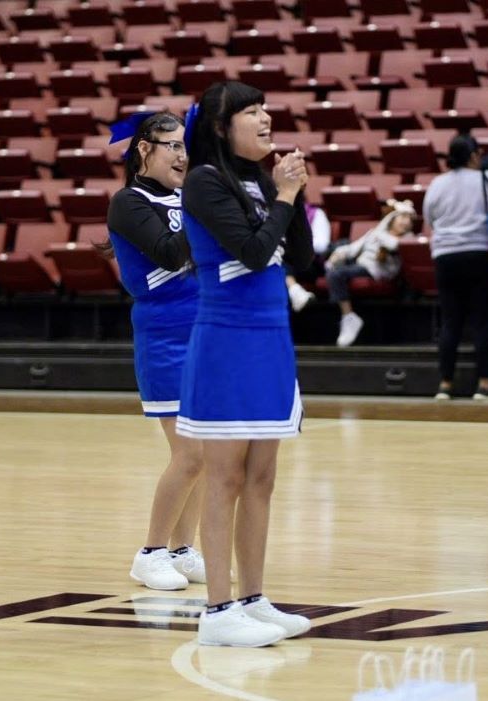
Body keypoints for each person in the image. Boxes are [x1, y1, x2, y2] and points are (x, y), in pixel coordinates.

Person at [178, 81, 315, 648]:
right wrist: (283, 197)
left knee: (262, 478)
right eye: (251, 112)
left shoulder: (262, 180)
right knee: (225, 477)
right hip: (227, 344)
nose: (265, 118)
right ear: (220, 127)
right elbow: (255, 253)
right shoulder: (206, 183)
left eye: (265, 109)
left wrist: (296, 193)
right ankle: (216, 609)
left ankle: (254, 598)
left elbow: (302, 258)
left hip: (271, 342)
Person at [104, 111, 208, 592]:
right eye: (172, 146)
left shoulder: (187, 196)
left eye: (185, 146)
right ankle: (150, 553)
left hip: (206, 330)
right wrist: (210, 206)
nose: (182, 155)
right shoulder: (128, 202)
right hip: (165, 335)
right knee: (188, 454)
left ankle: (182, 550)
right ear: (144, 150)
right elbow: (171, 254)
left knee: (207, 453)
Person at [424, 134, 488, 400]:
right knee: (483, 321)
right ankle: (484, 384)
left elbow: (429, 217)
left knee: (450, 321)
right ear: (473, 155)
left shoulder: (437, 183)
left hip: (445, 256)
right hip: (480, 254)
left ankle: (445, 384)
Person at [326, 200, 414, 346]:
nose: (406, 222)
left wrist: (379, 230)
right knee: (334, 257)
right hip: (360, 264)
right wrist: (338, 254)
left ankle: (349, 317)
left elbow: (392, 245)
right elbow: (353, 249)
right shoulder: (376, 233)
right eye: (402, 217)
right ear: (391, 219)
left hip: (376, 271)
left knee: (336, 275)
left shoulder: (407, 238)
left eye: (409, 219)